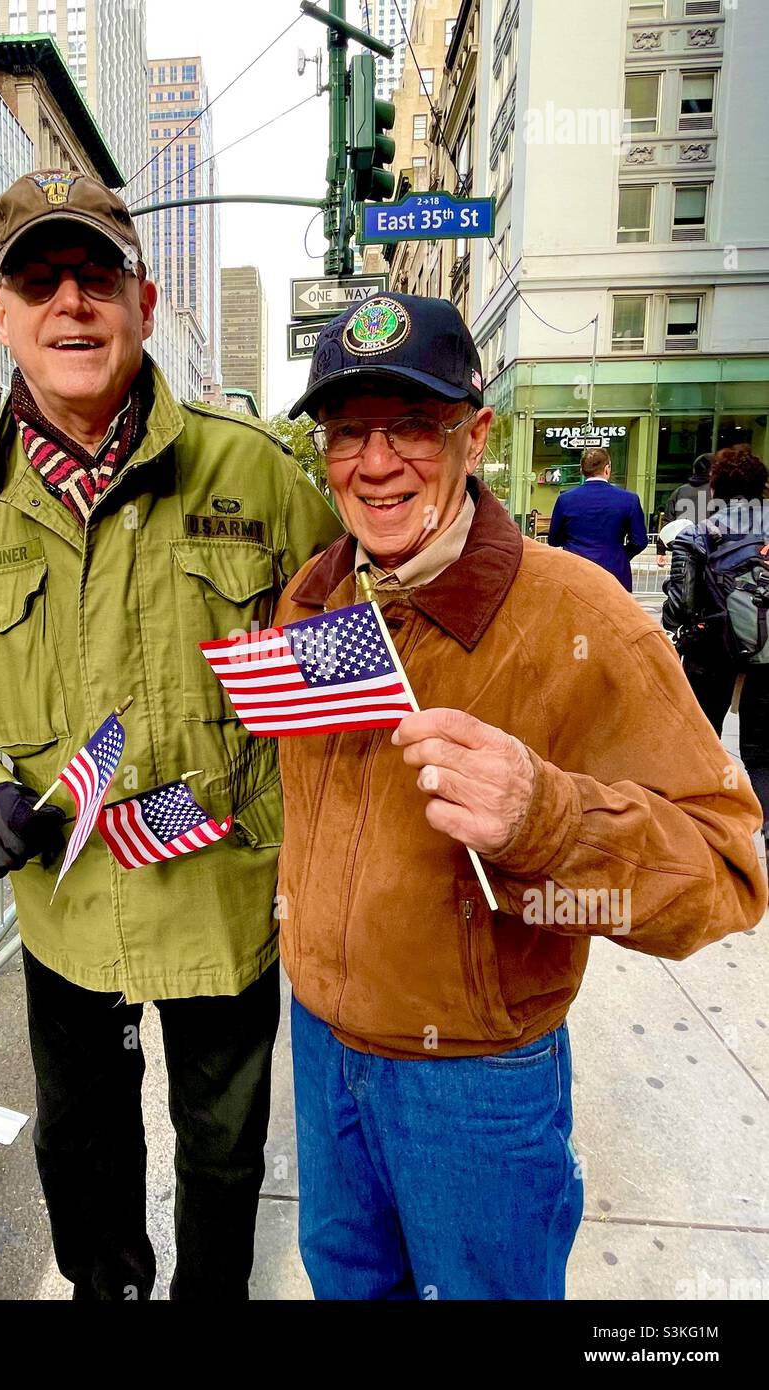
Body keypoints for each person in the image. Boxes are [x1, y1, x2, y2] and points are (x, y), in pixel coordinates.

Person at [0, 168, 341, 1302]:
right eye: (40, 279)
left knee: (223, 1156)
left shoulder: (258, 476)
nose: (70, 301)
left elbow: (348, 680)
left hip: (225, 903)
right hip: (67, 914)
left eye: (96, 276)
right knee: (81, 1151)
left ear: (145, 297)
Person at [272, 293, 767, 1301]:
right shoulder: (312, 595)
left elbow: (725, 869)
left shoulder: (580, 616)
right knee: (347, 1284)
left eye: (411, 424)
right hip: (323, 1053)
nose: (374, 463)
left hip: (475, 1081)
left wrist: (550, 818)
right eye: (347, 431)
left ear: (474, 434)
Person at [661, 445, 769, 859]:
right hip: (767, 658)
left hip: (711, 654)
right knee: (762, 754)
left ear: (717, 486)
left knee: (699, 743)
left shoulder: (701, 533)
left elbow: (678, 608)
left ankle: (701, 841)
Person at [547, 445, 648, 590]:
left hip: (575, 571)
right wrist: (620, 554)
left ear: (582, 471)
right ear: (607, 469)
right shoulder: (629, 500)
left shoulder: (565, 499)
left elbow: (553, 540)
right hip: (614, 571)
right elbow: (639, 541)